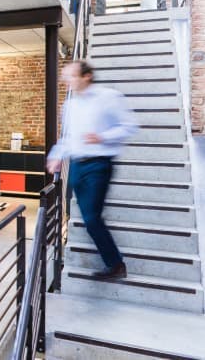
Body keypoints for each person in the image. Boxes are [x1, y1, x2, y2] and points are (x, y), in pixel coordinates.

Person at [47, 61, 137, 279]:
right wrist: (56, 155)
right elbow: (67, 137)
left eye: (71, 77)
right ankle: (113, 262)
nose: (67, 82)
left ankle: (116, 264)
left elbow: (130, 125)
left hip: (98, 164)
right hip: (76, 165)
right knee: (88, 216)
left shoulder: (108, 97)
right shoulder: (70, 105)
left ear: (87, 76)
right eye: (65, 78)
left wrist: (102, 136)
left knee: (91, 217)